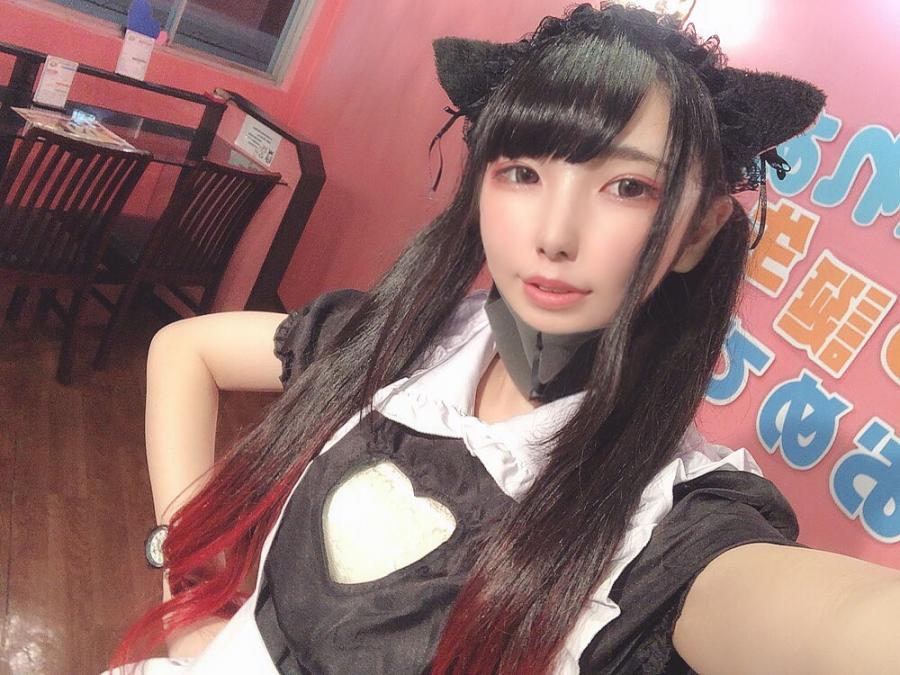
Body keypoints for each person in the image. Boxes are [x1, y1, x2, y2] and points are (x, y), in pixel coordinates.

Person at [106, 3, 900, 674]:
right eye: (522, 172)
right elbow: (185, 349)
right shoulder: (403, 346)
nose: (554, 233)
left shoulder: (666, 520)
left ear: (697, 230)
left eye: (627, 186)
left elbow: (841, 624)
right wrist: (187, 580)